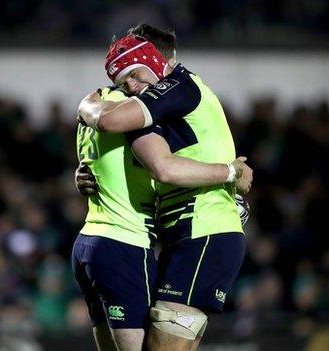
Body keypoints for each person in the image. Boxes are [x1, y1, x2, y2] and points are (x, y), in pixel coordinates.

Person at [77, 23, 250, 351]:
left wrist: (231, 172)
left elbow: (157, 162)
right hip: (184, 233)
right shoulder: (161, 105)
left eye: (134, 72)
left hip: (203, 231)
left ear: (156, 59)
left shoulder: (180, 86)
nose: (131, 85)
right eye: (123, 79)